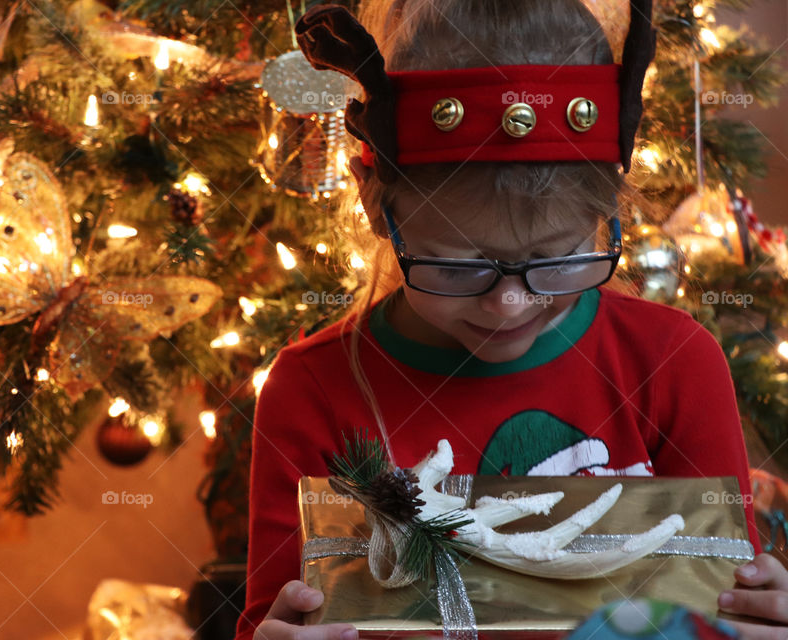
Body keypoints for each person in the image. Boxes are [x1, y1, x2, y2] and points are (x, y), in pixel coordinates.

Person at [234, 1, 781, 639]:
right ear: (375, 205)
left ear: (606, 216)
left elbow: (721, 596)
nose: (509, 304)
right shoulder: (311, 389)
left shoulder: (673, 362)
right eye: (457, 267)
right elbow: (272, 618)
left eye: (556, 262)